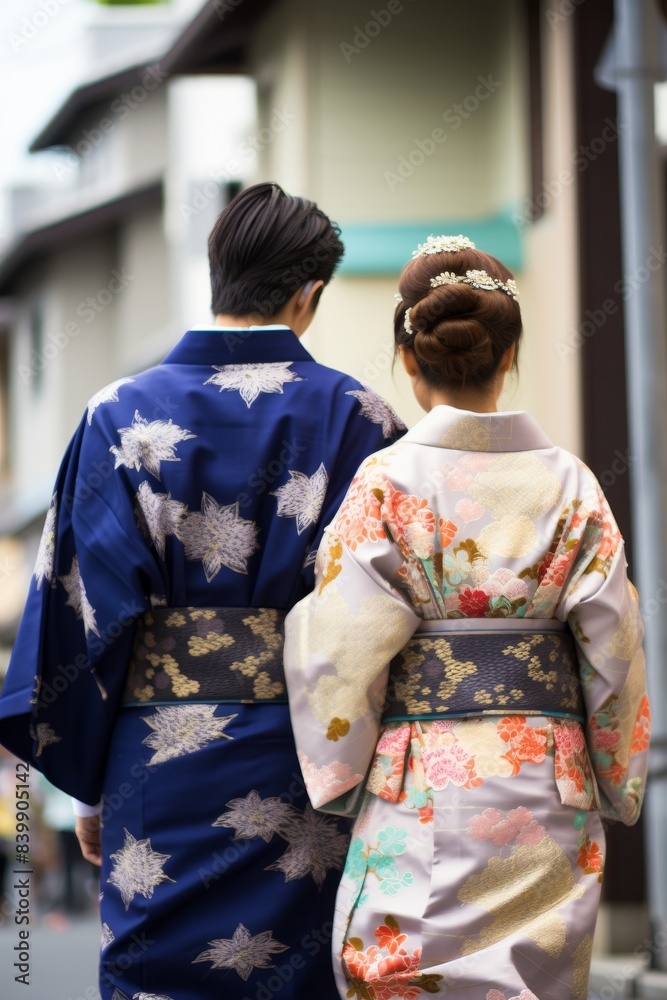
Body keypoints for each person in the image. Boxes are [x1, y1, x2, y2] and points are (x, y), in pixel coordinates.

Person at [0, 182, 406, 1000]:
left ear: (216, 272)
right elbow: (392, 609)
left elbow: (80, 611)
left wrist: (87, 780)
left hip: (156, 762)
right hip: (311, 757)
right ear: (309, 293)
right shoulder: (357, 416)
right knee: (301, 971)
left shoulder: (117, 413)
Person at [283, 235, 650, 1000]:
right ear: (507, 356)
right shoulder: (572, 486)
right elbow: (615, 645)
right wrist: (613, 776)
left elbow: (338, 652)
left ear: (408, 361)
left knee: (405, 977)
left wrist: (342, 775)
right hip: (546, 785)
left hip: (422, 780)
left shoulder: (385, 482)